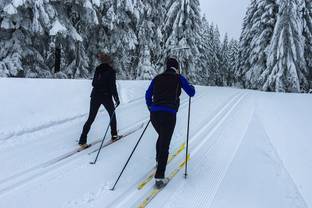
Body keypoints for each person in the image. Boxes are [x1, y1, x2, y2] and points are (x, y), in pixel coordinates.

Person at [145, 57, 195, 189]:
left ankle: (158, 161)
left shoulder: (157, 78)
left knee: (162, 137)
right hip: (169, 114)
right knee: (165, 144)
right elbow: (191, 93)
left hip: (154, 114)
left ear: (167, 67)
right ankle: (159, 178)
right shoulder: (179, 77)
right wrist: (191, 86)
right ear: (176, 68)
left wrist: (151, 107)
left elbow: (148, 94)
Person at [79, 53, 120, 148]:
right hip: (106, 96)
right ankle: (114, 135)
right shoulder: (111, 71)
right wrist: (116, 98)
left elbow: (93, 83)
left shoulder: (98, 69)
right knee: (112, 115)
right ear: (109, 61)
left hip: (95, 95)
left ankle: (82, 140)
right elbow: (113, 86)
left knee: (91, 118)